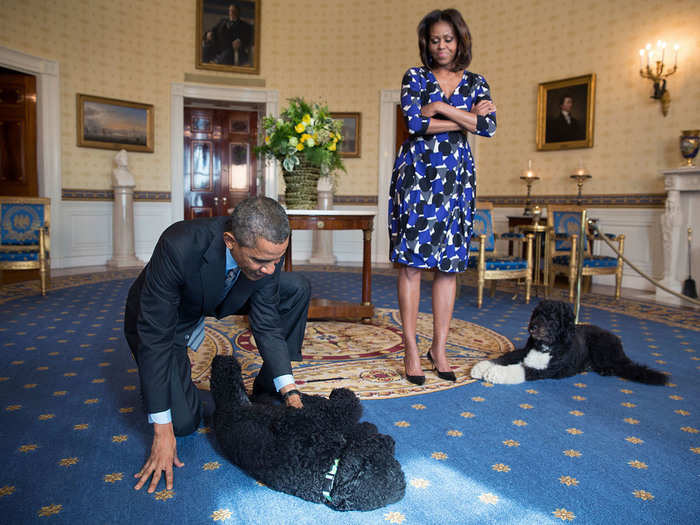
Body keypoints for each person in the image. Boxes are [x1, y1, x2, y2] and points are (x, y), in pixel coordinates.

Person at [124, 196, 310, 493]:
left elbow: (267, 323)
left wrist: (290, 391)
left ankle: (267, 390)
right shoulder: (178, 245)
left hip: (220, 294)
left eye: (278, 259)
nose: (272, 270)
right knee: (182, 424)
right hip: (166, 321)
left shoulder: (265, 260)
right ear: (229, 241)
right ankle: (159, 388)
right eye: (262, 261)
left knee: (297, 287)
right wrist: (161, 428)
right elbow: (154, 336)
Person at [388, 9, 497, 385]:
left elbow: (489, 127)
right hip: (417, 179)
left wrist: (440, 108)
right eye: (435, 40)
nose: (441, 46)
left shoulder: (477, 81)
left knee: (448, 267)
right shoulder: (415, 76)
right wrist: (466, 116)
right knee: (412, 266)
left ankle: (440, 347)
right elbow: (415, 123)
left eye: (448, 39)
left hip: (456, 182)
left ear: (460, 40)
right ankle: (411, 349)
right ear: (427, 43)